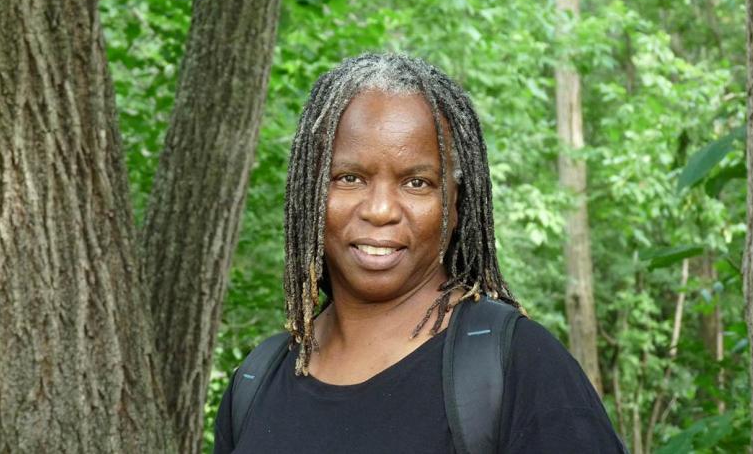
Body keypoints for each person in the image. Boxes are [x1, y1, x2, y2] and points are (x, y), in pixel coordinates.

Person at [213, 53, 626, 453]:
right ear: (310, 191)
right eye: (350, 177)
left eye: (417, 183)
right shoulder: (256, 381)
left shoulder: (521, 369)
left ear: (457, 204)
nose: (380, 210)